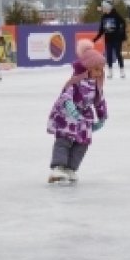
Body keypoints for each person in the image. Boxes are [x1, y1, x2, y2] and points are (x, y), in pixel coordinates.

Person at [46, 47, 108, 184]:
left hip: (83, 118)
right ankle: (58, 167)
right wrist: (70, 107)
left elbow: (100, 101)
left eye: (101, 70)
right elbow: (66, 95)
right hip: (67, 117)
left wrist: (102, 117)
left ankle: (70, 168)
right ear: (87, 69)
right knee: (64, 141)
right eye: (96, 69)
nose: (99, 73)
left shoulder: (97, 85)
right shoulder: (75, 82)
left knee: (82, 144)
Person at [93, 0, 127, 78]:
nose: (103, 9)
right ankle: (110, 71)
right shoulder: (104, 17)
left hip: (117, 39)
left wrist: (122, 35)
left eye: (104, 7)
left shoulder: (116, 15)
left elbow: (123, 23)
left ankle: (122, 71)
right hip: (108, 39)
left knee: (118, 54)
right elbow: (101, 30)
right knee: (109, 55)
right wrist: (95, 39)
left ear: (108, 7)